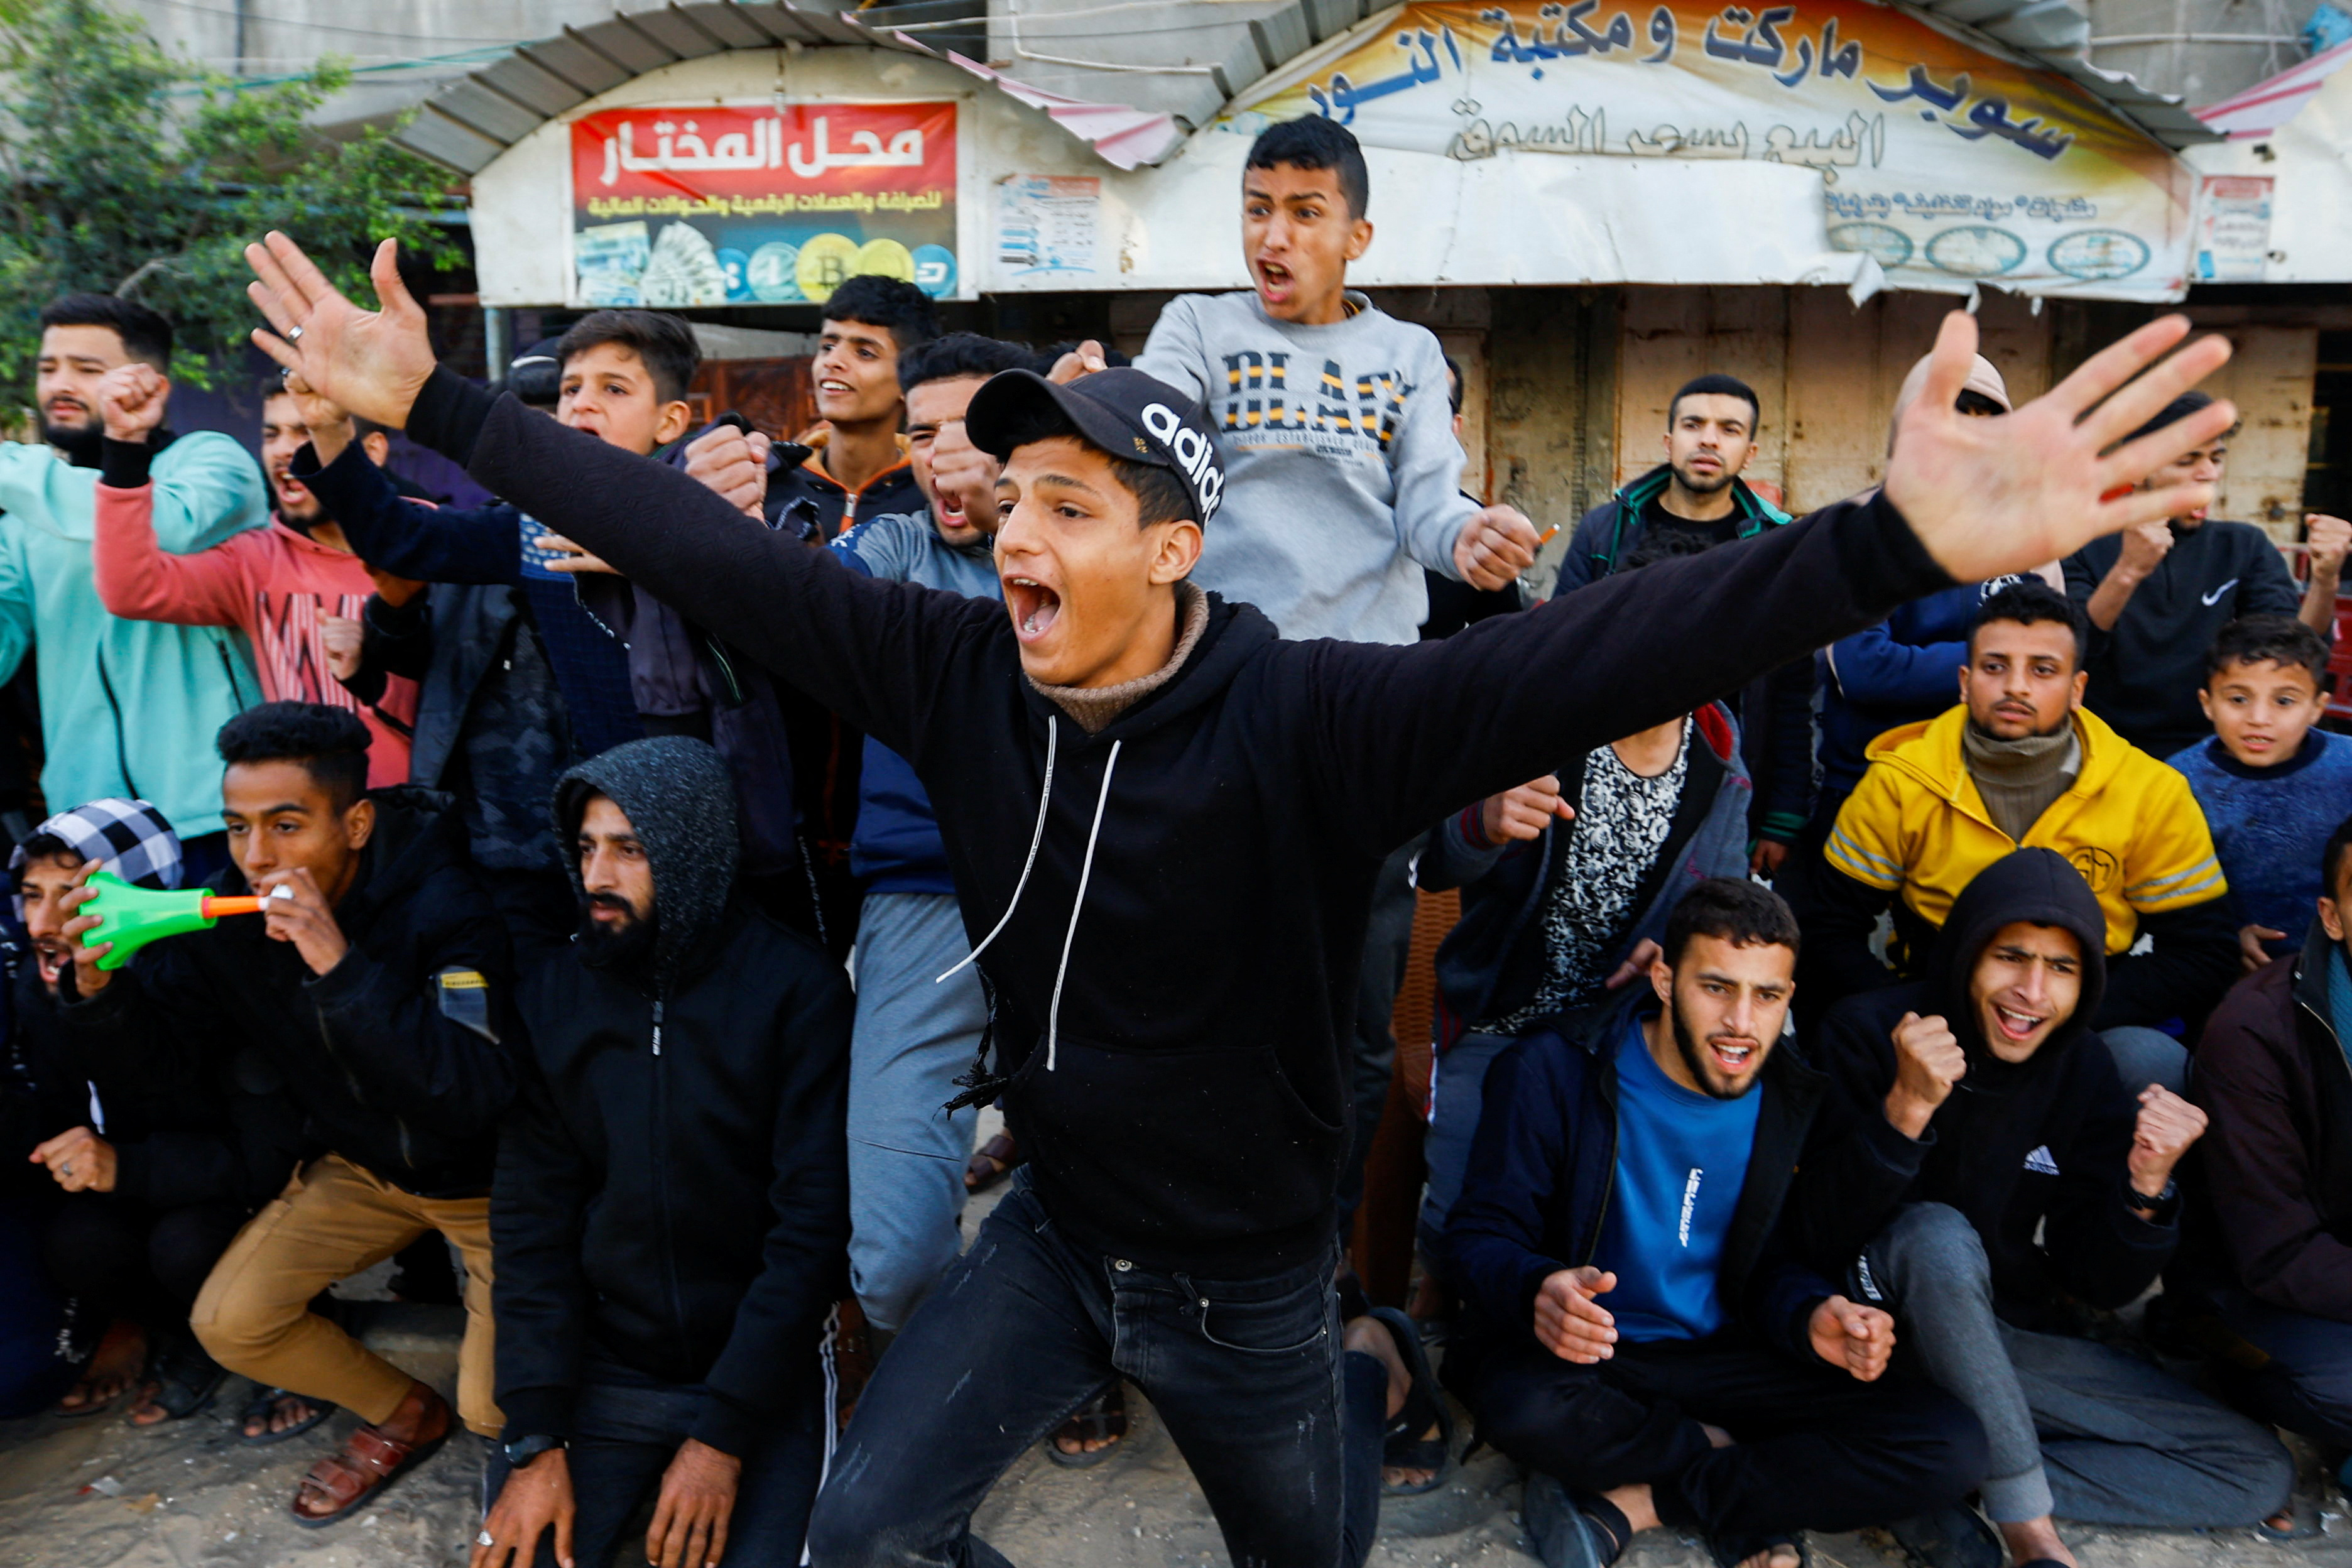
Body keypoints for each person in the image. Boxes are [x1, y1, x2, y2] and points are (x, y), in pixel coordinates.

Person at [247, 222, 2238, 1565]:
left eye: (1068, 505)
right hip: (1054, 1239)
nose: (1012, 527)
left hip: (1251, 1290)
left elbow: (1600, 655)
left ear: (1177, 547)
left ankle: (1350, 1391)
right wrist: (432, 403)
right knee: (861, 1534)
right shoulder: (949, 671)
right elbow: (702, 551)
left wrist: (1889, 540)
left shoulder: (1313, 723)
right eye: (1006, 497)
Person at [1126, 112, 1542, 1283]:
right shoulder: (1196, 329)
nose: (1274, 233)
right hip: (1218, 694)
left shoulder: (1404, 355)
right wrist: (1089, 417)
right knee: (1195, 997)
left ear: (1355, 233)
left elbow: (1427, 501)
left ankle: (1308, 1254)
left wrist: (1472, 540)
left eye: (1303, 213)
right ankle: (1177, 1251)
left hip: (1366, 712)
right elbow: (1146, 438)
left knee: (1356, 1018)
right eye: (1257, 208)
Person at [1442, 879, 1990, 1568]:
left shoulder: (1794, 1096)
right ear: (1666, 981)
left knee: (1951, 1445)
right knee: (1524, 1408)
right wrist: (1538, 1288)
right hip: (1597, 1360)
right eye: (1716, 987)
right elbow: (1477, 1235)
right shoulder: (1557, 1069)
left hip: (1730, 1357)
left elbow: (1782, 1263)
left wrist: (1812, 1317)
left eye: (1767, 996)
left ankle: (1655, 1498)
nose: (1741, 1021)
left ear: (1789, 998)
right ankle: (1754, 1475)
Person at [62, 702, 515, 1526]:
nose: (255, 857)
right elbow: (169, 1074)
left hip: (489, 1188)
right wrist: (96, 995)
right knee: (231, 1322)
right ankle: (407, 1411)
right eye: (237, 828)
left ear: (357, 822)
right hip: (362, 1170)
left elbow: (471, 1092)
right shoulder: (229, 922)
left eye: (286, 825)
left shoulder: (451, 905)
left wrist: (339, 969)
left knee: (498, 1412)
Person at [1799, 849, 2293, 1567]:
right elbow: (1812, 1239)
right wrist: (1903, 1112)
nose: (2032, 991)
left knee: (2253, 1470)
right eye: (2012, 957)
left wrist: (2146, 1187)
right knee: (1936, 1234)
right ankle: (2032, 1535)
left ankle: (1928, 1475)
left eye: (2062, 968)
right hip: (1870, 1339)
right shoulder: (1869, 1032)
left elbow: (2098, 1281)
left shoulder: (2082, 1066)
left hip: (1995, 1346)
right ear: (1968, 954)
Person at [472, 737, 849, 1568]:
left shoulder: (797, 991)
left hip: (760, 1377)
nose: (597, 877)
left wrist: (722, 1436)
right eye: (586, 848)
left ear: (690, 851)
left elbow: (810, 1231)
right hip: (610, 1371)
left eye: (629, 849)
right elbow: (531, 1219)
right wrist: (536, 1437)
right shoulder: (554, 994)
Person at [1420, 531, 1754, 1257]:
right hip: (1498, 1015)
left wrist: (1679, 944)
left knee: (1595, 1231)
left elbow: (1725, 901)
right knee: (1456, 1220)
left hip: (1624, 1032)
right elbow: (1437, 862)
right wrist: (1484, 822)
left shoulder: (1721, 751)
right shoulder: (1538, 720)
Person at [822, 334, 1026, 1349]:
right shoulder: (898, 547)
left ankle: (1071, 1354)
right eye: (922, 435)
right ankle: (959, 1362)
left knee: (1112, 1191)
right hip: (923, 903)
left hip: (1084, 893)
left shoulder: (1093, 546)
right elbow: (819, 596)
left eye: (970, 432)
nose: (941, 455)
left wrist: (1024, 507)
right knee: (894, 1257)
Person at [1808, 580, 2238, 1033]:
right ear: (1965, 682)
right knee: (1849, 1030)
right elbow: (1828, 928)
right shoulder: (1902, 780)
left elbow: (2204, 953)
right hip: (1937, 1008)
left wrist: (2064, 1018)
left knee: (2148, 1060)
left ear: (2077, 689)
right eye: (1995, 667)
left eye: (2043, 670)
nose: (2016, 686)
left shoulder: (2150, 791)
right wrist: (1911, 1019)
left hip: (2085, 1021)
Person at [7, 801, 264, 1427]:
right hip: (140, 1180)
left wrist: (125, 1167)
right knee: (78, 1243)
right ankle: (192, 1342)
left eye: (70, 898)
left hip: (232, 1183)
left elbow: (253, 1154)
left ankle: (286, 1347)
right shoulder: (38, 989)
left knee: (186, 1245)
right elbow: (60, 1113)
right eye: (30, 894)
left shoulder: (199, 981)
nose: (41, 923)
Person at [0, 294, 270, 888]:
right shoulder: (24, 514)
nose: (60, 385)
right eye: (48, 369)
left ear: (152, 383)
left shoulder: (210, 463)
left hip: (216, 810)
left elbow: (156, 527)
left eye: (87, 369)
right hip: (85, 826)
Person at [92, 367, 418, 785]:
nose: (283, 450)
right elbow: (130, 591)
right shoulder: (255, 559)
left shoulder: (432, 547)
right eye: (271, 434)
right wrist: (123, 449)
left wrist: (371, 669)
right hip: (303, 825)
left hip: (420, 821)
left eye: (305, 430)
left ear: (372, 451)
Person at [1554, 373, 1812, 874]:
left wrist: (1781, 819)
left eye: (1730, 429)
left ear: (1750, 451)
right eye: (1694, 424)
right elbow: (1561, 653)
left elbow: (1792, 693)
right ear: (1671, 440)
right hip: (1606, 776)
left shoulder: (1777, 548)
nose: (1710, 439)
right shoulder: (1608, 530)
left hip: (1727, 782)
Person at [2181, 815, 2352, 1467]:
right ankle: (2239, 1387)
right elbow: (2277, 1253)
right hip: (2261, 1289)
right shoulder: (2255, 1031)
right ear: (2332, 918)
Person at [2064, 390, 2352, 759]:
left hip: (2214, 755)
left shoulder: (2243, 546)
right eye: (2188, 460)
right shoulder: (2083, 546)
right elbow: (2073, 652)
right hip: (2100, 750)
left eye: (2216, 459)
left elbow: (2292, 655)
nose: (2209, 474)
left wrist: (2325, 580)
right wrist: (2127, 572)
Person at [1812, 352, 2022, 836]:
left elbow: (2050, 661)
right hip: (1867, 784)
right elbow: (1863, 668)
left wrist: (1987, 665)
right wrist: (1993, 662)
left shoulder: (2024, 537)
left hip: (1982, 792)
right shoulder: (1860, 529)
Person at [2169, 615, 2352, 972]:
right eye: (2238, 699)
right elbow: (2176, 895)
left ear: (2317, 707)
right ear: (2207, 703)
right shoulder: (2179, 782)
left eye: (2284, 701)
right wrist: (2227, 935)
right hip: (2232, 968)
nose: (2259, 718)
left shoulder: (2348, 766)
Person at [771, 274, 934, 541]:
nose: (833, 361)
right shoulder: (776, 488)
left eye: (865, 353)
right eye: (828, 346)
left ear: (909, 384)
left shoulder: (933, 500)